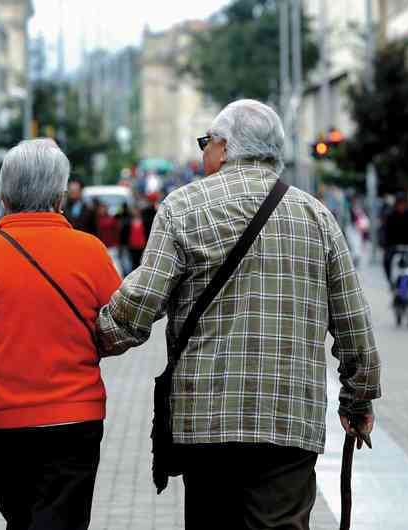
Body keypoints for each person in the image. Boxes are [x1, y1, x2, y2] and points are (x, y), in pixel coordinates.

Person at [97, 100, 381, 529]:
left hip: (206, 419)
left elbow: (138, 307)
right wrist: (357, 400)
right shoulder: (317, 217)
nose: (203, 152)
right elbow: (354, 324)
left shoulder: (183, 208)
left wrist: (94, 336)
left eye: (205, 142)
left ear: (225, 147)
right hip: (289, 418)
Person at [0, 139, 121, 530]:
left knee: (20, 520)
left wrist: (1, 347)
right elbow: (116, 329)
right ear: (60, 196)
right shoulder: (90, 251)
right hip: (76, 416)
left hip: (4, 419)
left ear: (4, 197)